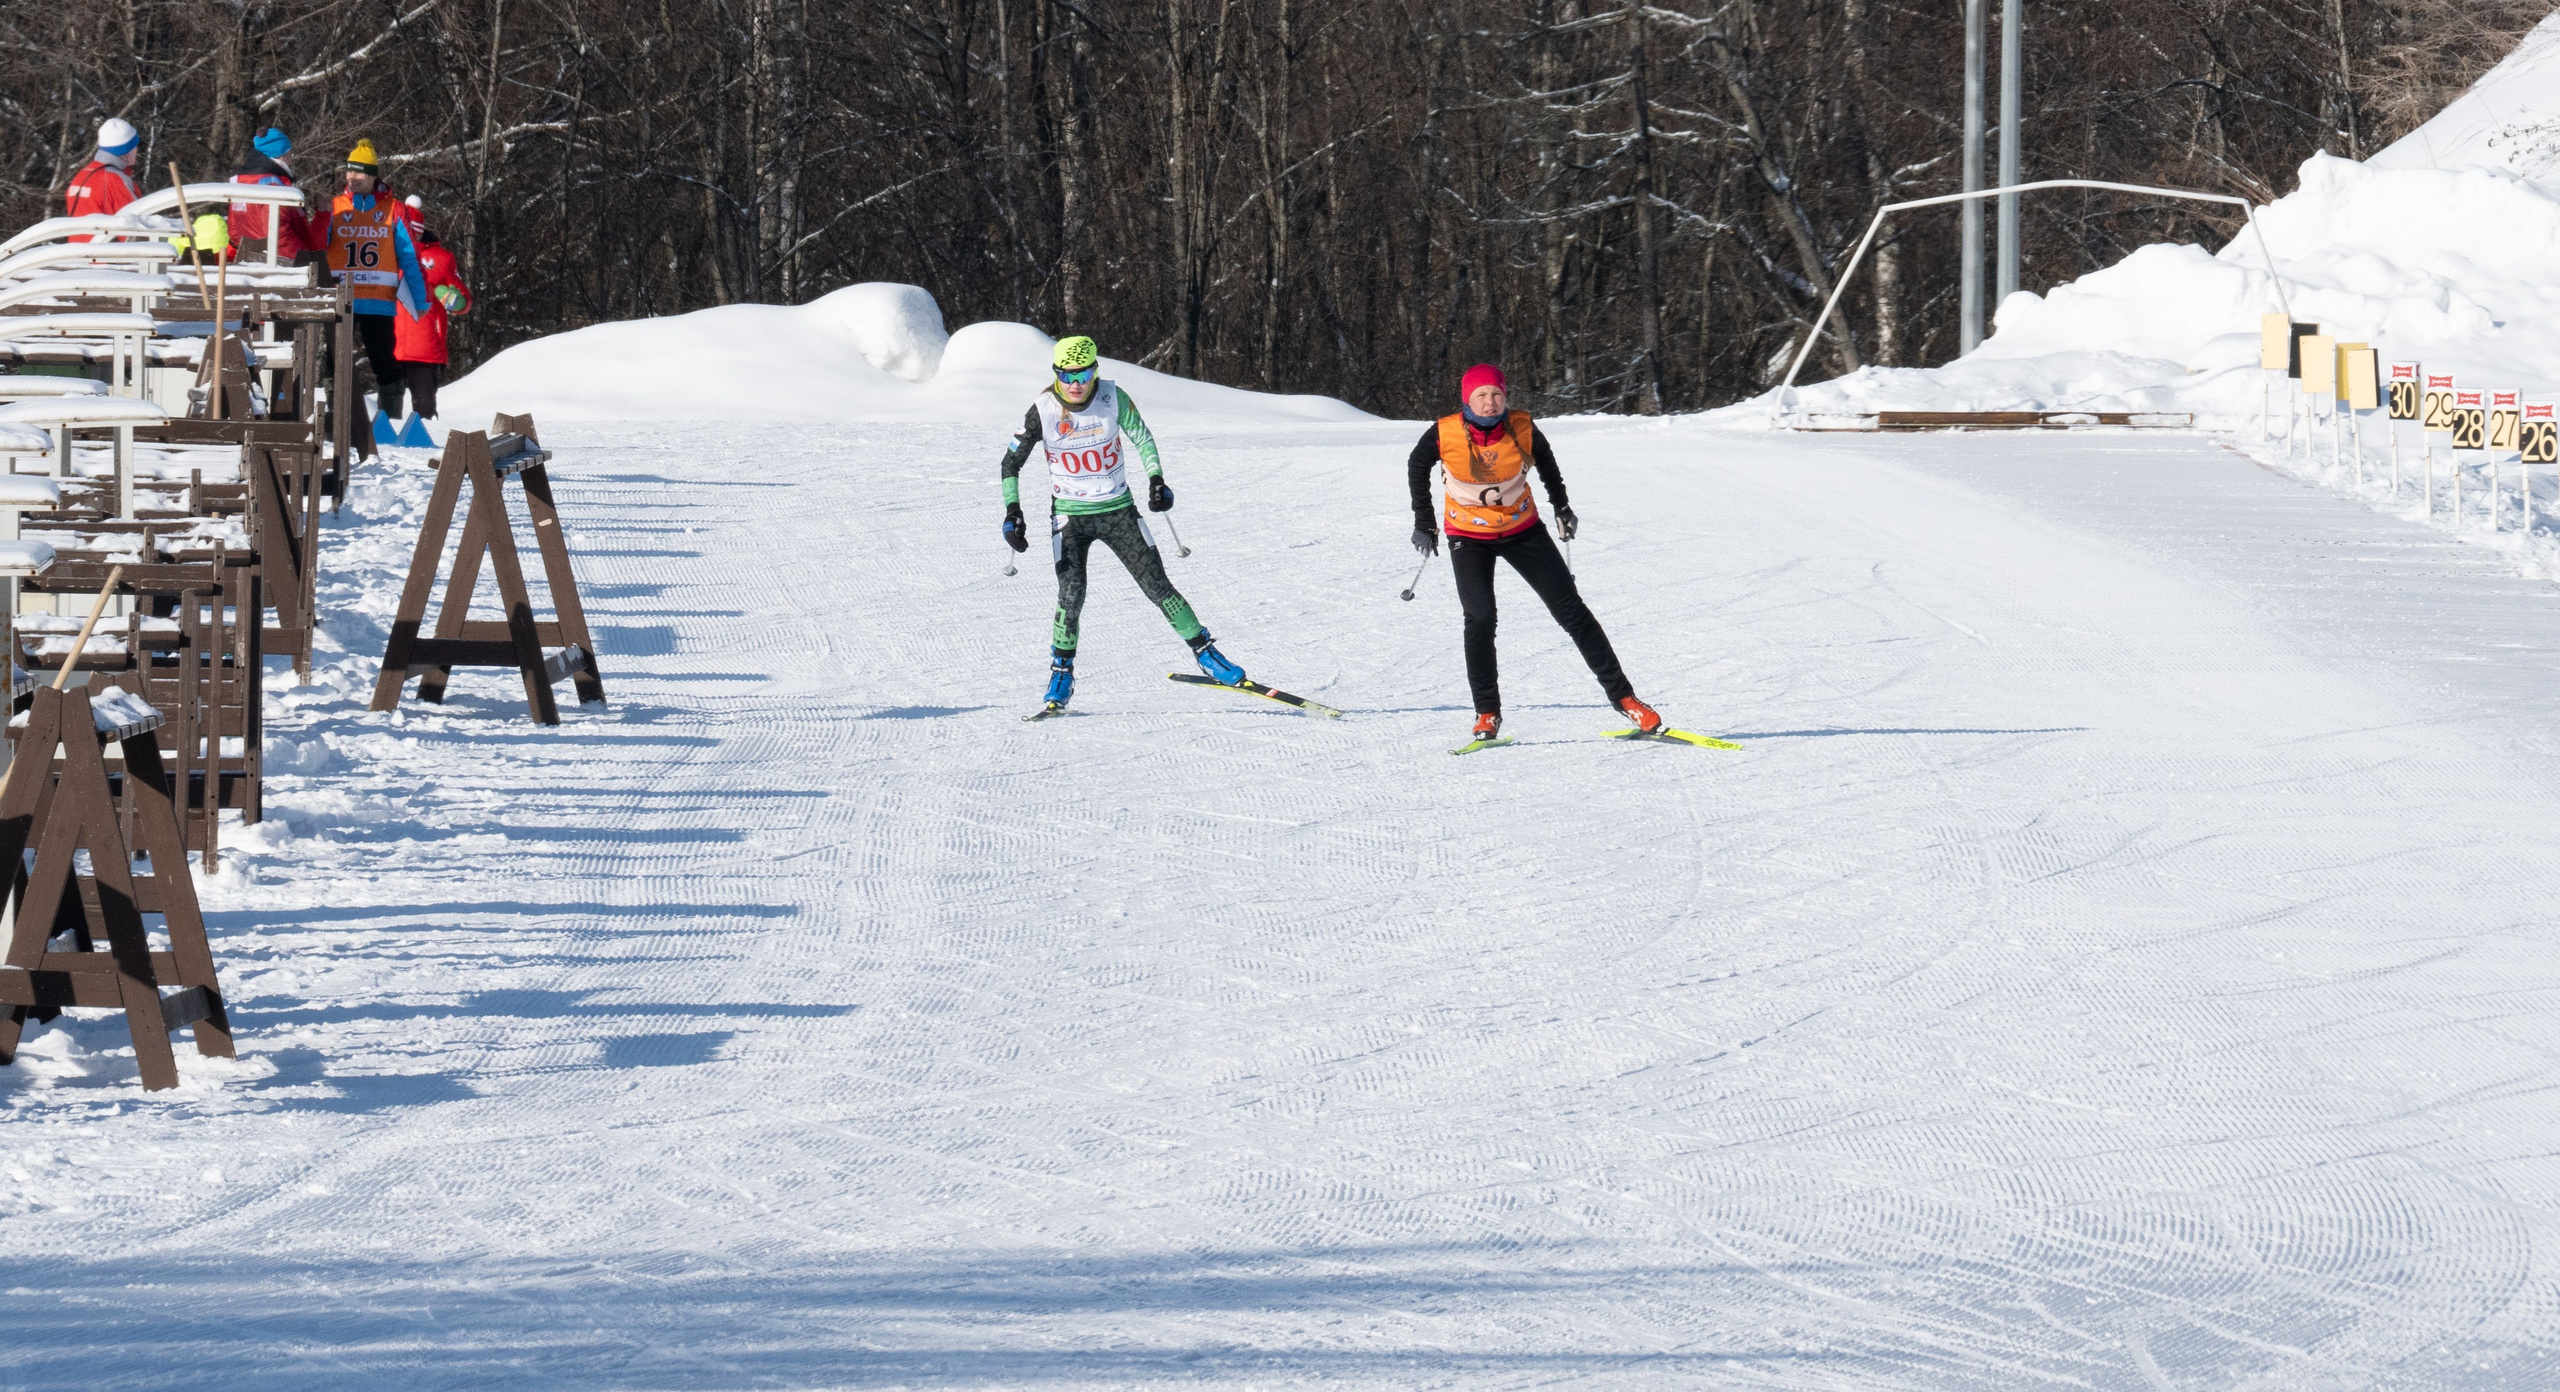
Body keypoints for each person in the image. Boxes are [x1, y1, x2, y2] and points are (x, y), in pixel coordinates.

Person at [1408, 362, 1659, 745]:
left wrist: (1561, 506)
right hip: (1468, 534)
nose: (1490, 403)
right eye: (1481, 395)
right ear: (1467, 400)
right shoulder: (1443, 432)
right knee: (1480, 619)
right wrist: (1424, 522)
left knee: (1571, 611)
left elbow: (1548, 464)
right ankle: (1487, 712)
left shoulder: (1523, 427)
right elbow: (1416, 465)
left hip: (1522, 530)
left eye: (1496, 394)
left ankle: (1625, 698)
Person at [1000, 335, 1247, 718]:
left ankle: (1207, 654)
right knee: (1071, 594)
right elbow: (1009, 464)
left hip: (1119, 511)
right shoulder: (1042, 410)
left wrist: (1156, 480)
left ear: (1095, 370)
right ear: (1056, 374)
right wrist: (1012, 512)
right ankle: (1061, 674)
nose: (1075, 383)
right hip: (1070, 518)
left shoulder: (1113, 397)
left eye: (1083, 373)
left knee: (1157, 585)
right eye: (1066, 375)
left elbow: (1142, 438)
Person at [323, 139, 431, 417]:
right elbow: (317, 246)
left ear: (373, 176)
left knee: (384, 361)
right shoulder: (335, 207)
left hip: (377, 299)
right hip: (340, 300)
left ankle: (390, 419)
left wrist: (420, 299)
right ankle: (336, 418)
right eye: (349, 171)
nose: (352, 177)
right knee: (334, 362)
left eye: (359, 173)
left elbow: (410, 257)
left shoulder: (394, 209)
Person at [391, 195, 471, 419]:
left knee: (424, 412)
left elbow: (463, 299)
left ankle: (425, 451)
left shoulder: (442, 259)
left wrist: (457, 301)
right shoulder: (386, 257)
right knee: (388, 417)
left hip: (425, 348)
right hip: (391, 345)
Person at [227, 126, 319, 265]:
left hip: (248, 261)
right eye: (290, 154)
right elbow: (278, 234)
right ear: (281, 156)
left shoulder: (240, 182)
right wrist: (304, 259)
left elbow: (234, 230)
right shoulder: (274, 186)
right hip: (278, 266)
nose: (291, 160)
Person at [63, 119, 141, 238]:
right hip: (105, 253)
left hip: (78, 252)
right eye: (134, 146)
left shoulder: (82, 175)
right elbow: (135, 227)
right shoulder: (116, 180)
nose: (137, 150)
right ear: (125, 151)